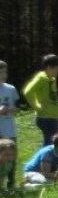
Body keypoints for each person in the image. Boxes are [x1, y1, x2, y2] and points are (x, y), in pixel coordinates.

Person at [22, 54, 58, 147]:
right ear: (49, 67)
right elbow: (28, 91)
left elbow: (51, 96)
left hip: (52, 117)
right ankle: (44, 157)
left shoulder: (52, 79)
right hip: (45, 118)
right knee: (51, 144)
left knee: (53, 143)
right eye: (57, 68)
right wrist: (37, 106)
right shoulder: (41, 78)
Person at [0, 61, 20, 190]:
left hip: (9, 129)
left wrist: (14, 110)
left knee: (11, 155)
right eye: (0, 72)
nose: (3, 74)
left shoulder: (10, 89)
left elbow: (15, 106)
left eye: (5, 72)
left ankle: (11, 183)